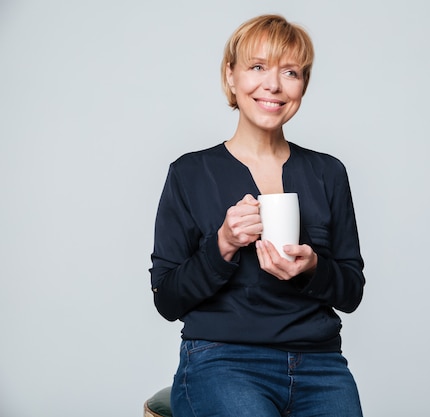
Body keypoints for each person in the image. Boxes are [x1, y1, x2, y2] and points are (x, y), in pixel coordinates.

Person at [150, 14, 365, 417]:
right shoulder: (190, 173)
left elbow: (352, 290)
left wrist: (312, 268)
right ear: (231, 77)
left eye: (291, 72)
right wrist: (223, 245)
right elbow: (167, 299)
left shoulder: (328, 172)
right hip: (222, 360)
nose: (274, 85)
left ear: (303, 85)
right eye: (257, 67)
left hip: (319, 363)